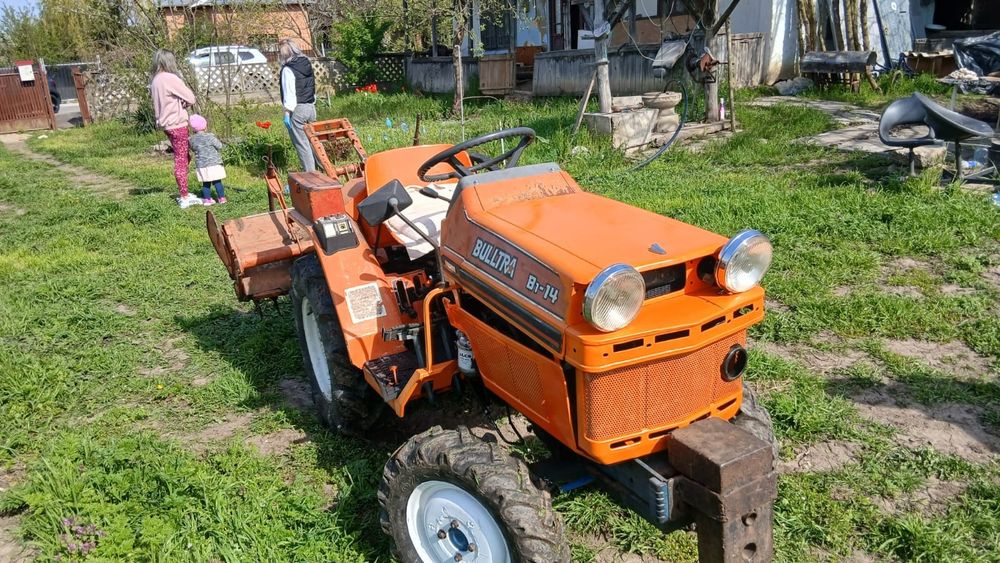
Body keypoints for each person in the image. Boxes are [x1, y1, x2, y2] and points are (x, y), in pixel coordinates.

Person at [150, 49, 200, 208]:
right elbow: (191, 98)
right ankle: (184, 196)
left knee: (184, 156)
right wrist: (184, 103)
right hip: (177, 124)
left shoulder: (156, 80)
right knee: (181, 159)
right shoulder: (170, 78)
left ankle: (184, 191)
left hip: (166, 124)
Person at [278, 38, 317, 172]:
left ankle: (311, 175)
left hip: (298, 109)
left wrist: (287, 113)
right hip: (311, 107)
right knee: (314, 142)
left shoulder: (288, 69)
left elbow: (290, 93)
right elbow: (312, 85)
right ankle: (323, 169)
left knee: (302, 144)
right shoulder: (306, 62)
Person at [188, 114, 228, 206]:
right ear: (205, 126)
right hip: (214, 163)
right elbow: (220, 146)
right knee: (217, 181)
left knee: (205, 183)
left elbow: (193, 149)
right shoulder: (210, 137)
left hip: (202, 165)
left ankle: (207, 200)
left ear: (193, 129)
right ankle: (221, 198)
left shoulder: (191, 140)